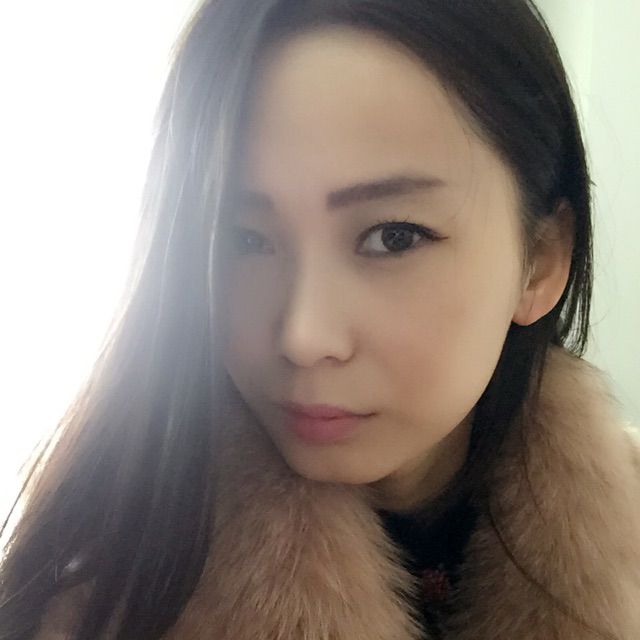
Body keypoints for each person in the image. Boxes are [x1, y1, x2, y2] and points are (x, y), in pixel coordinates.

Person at [1, 0, 639, 638]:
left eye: (393, 236)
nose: (303, 336)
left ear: (540, 261)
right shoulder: (101, 590)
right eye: (243, 239)